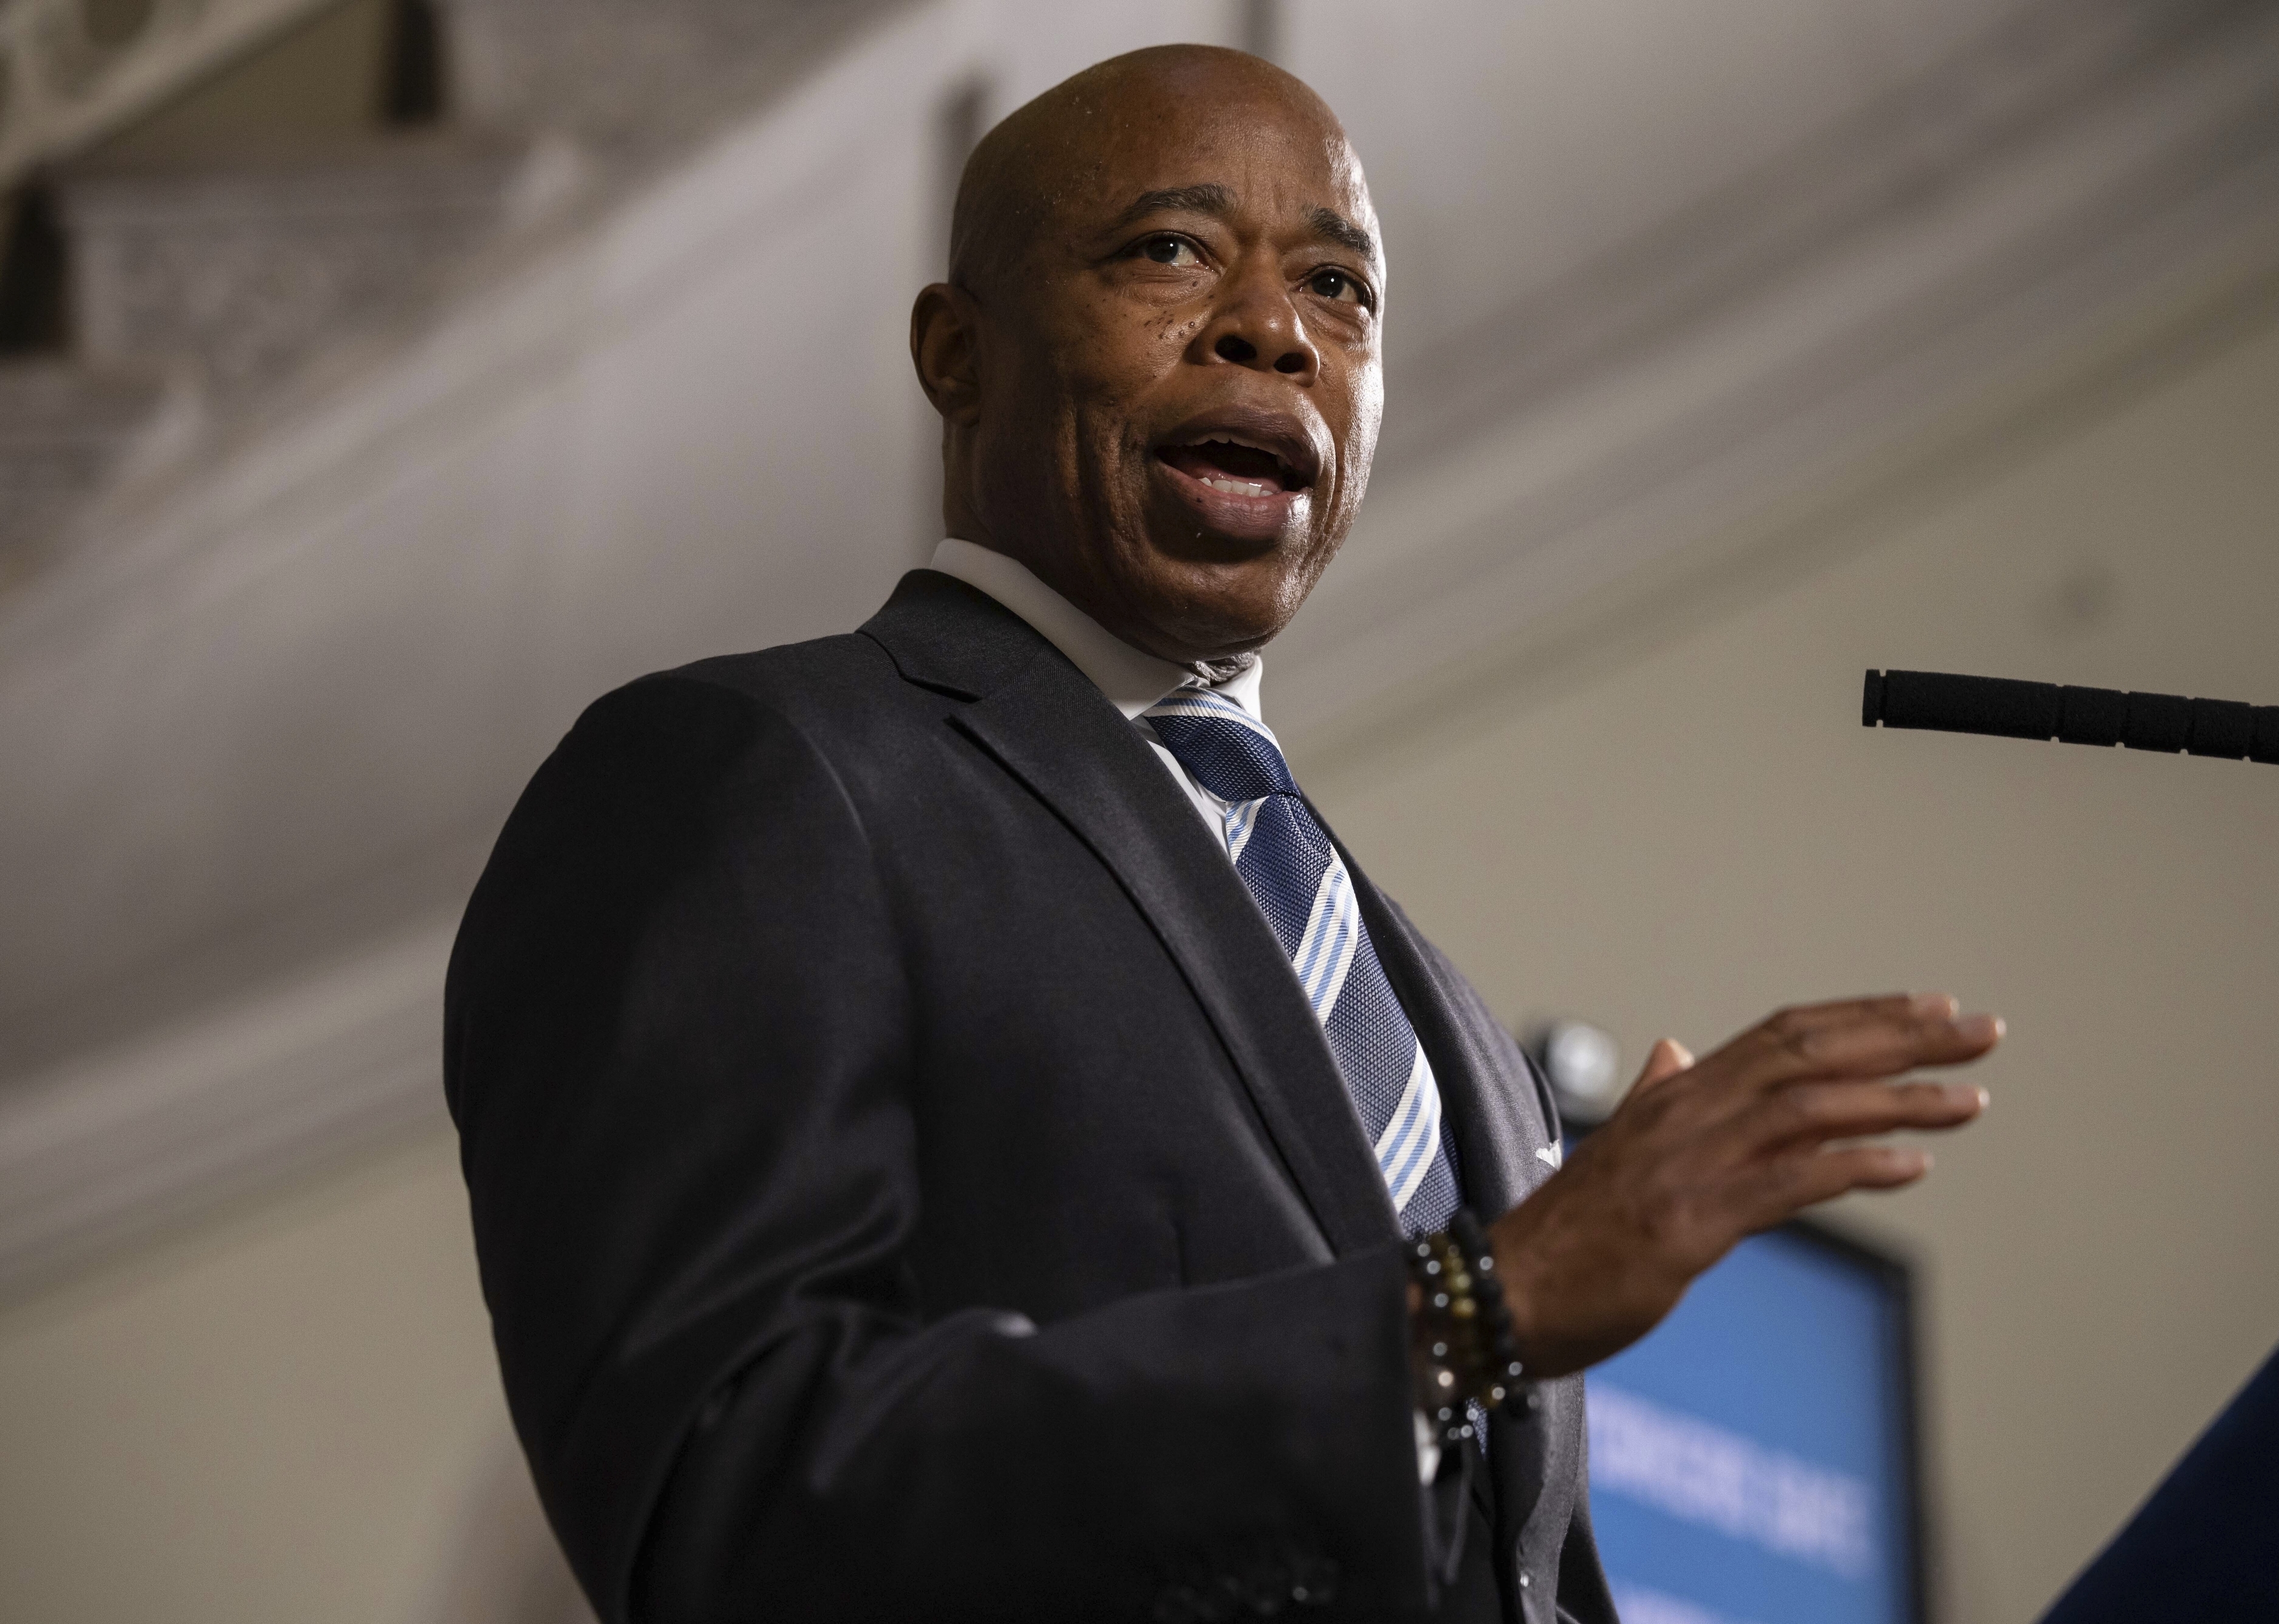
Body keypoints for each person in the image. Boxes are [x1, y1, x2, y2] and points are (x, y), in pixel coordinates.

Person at [444, 44, 1998, 1623]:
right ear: (957, 351)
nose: (1275, 330)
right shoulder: (747, 779)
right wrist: (1469, 1305)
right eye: (1170, 252)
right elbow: (739, 1499)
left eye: (1342, 288)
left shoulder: (1444, 1014)